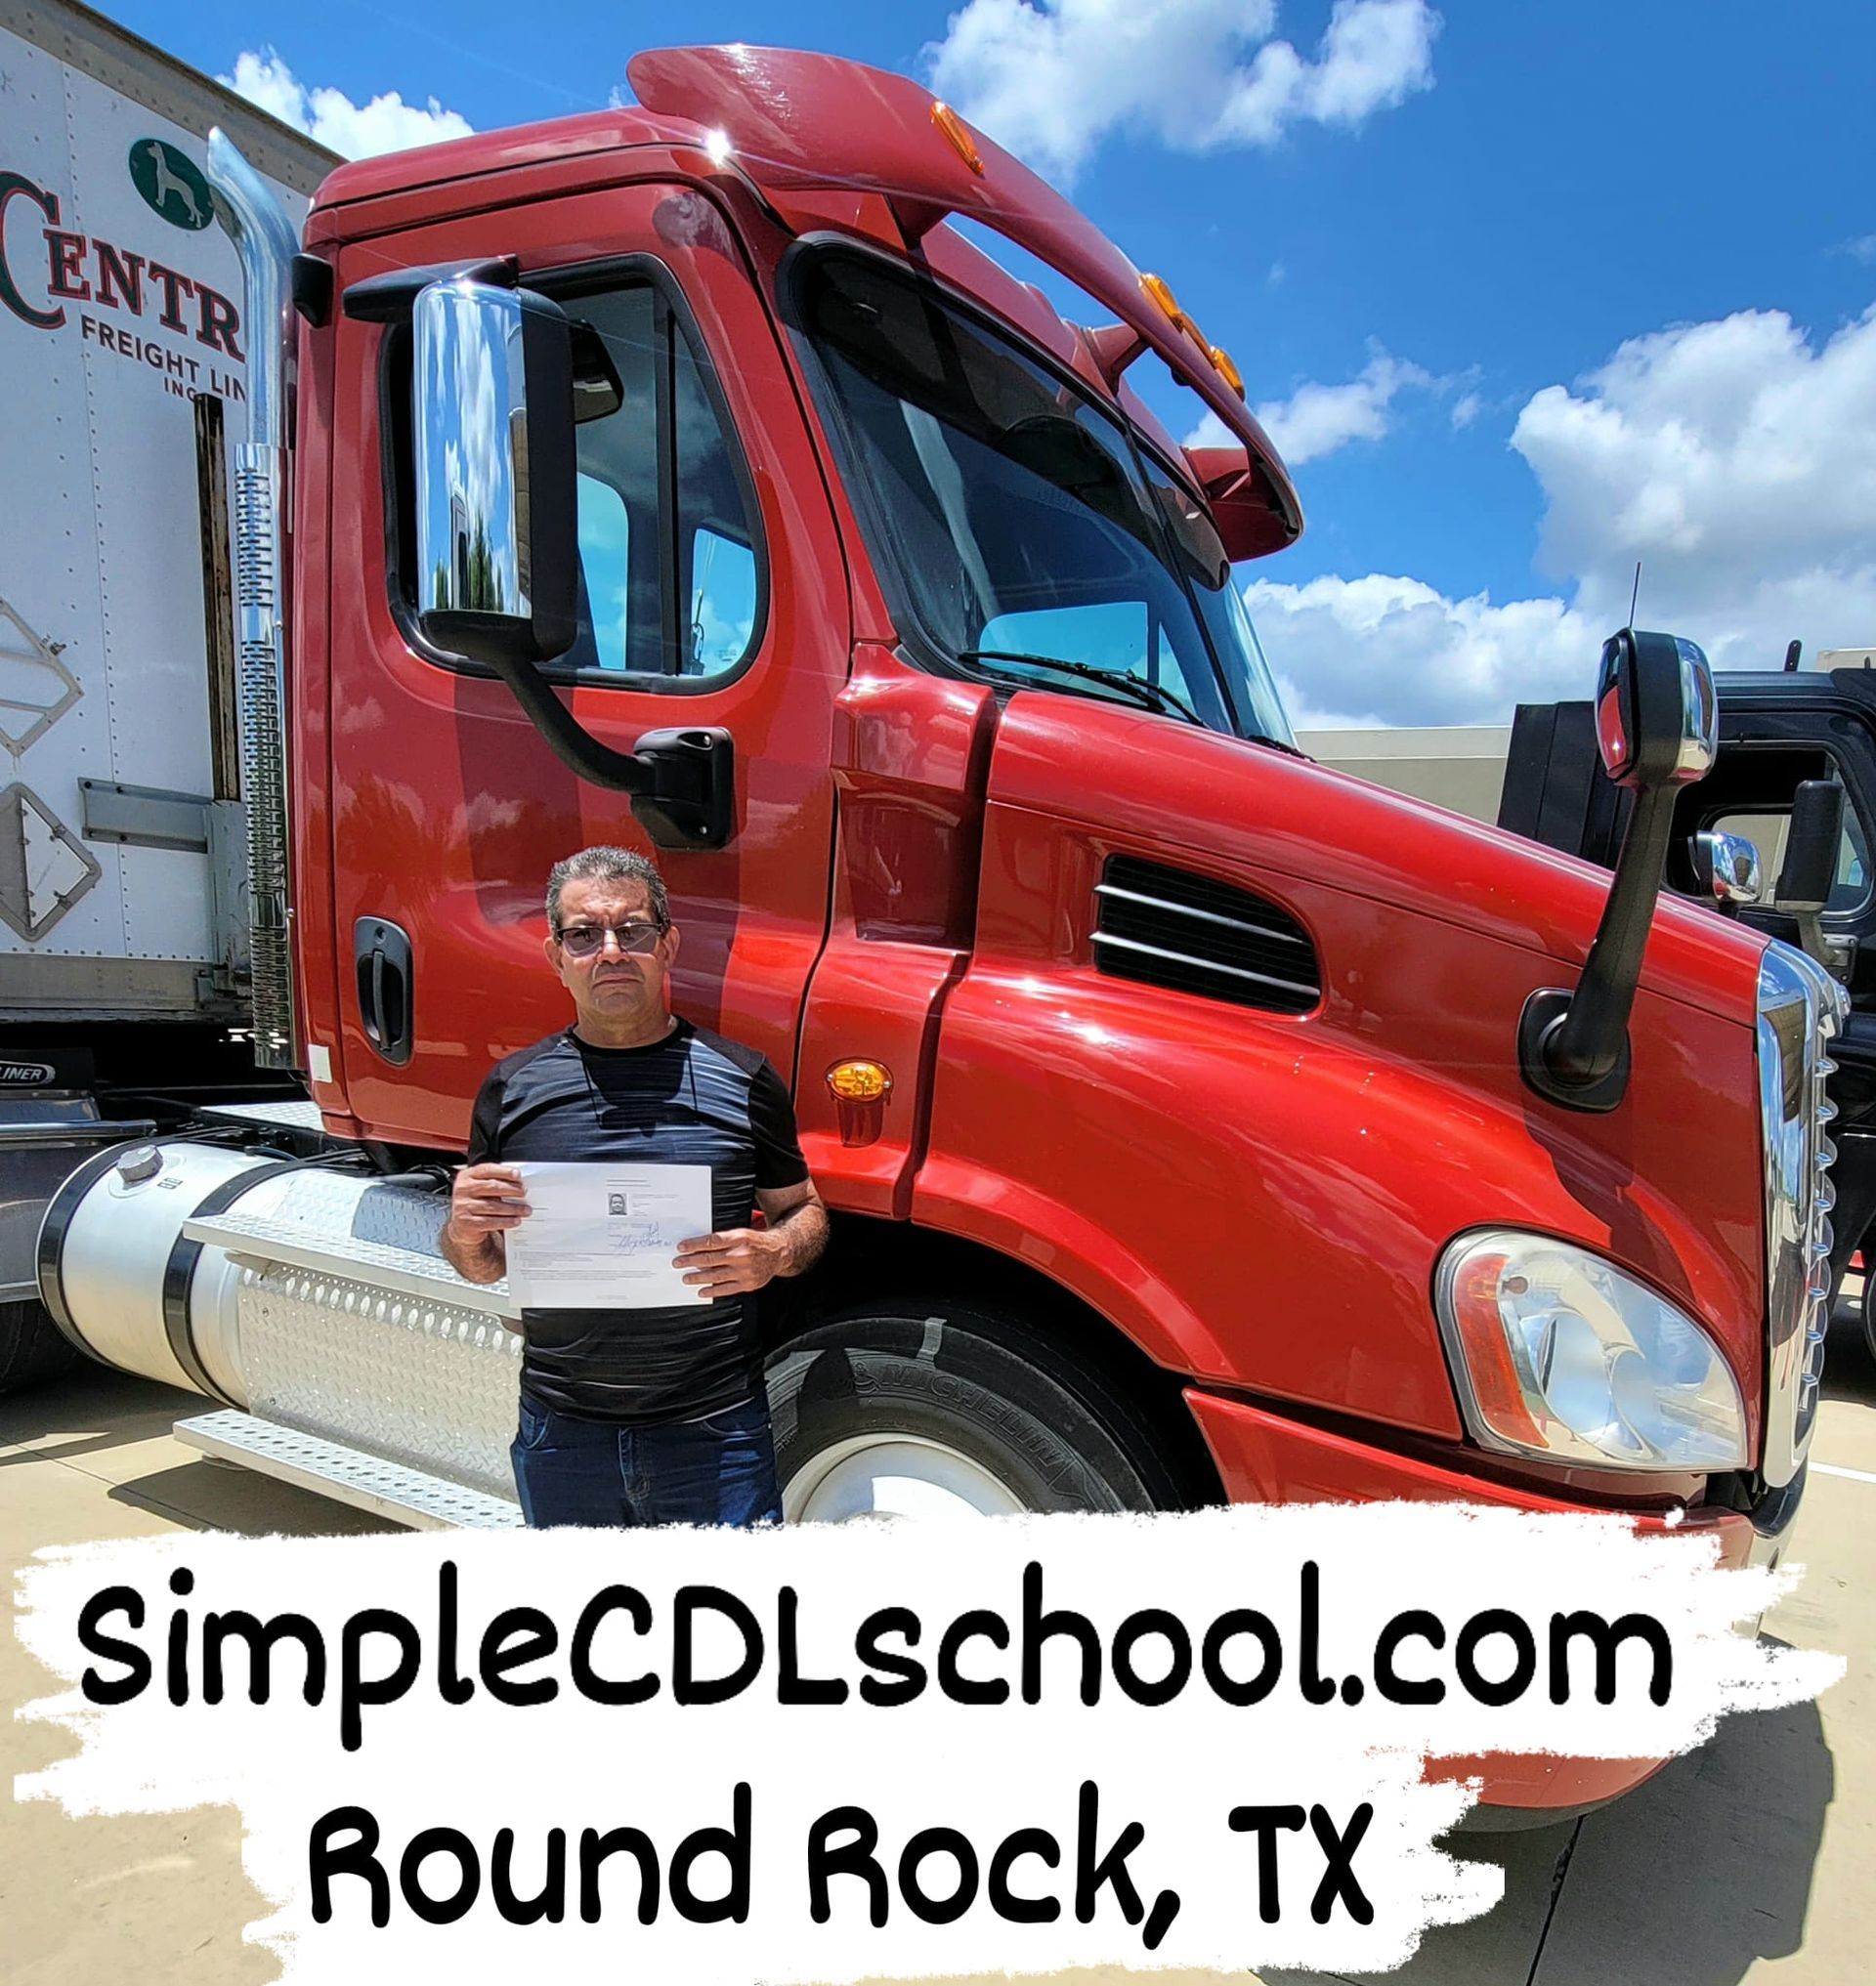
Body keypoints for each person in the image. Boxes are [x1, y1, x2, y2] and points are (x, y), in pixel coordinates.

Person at [439, 846, 829, 1527]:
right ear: (555, 956)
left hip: (714, 1434)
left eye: (633, 929)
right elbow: (484, 1262)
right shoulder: (511, 1089)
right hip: (563, 1436)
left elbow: (805, 1212)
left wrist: (774, 1254)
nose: (611, 949)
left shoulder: (744, 1078)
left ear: (668, 945)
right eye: (584, 934)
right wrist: (463, 1230)